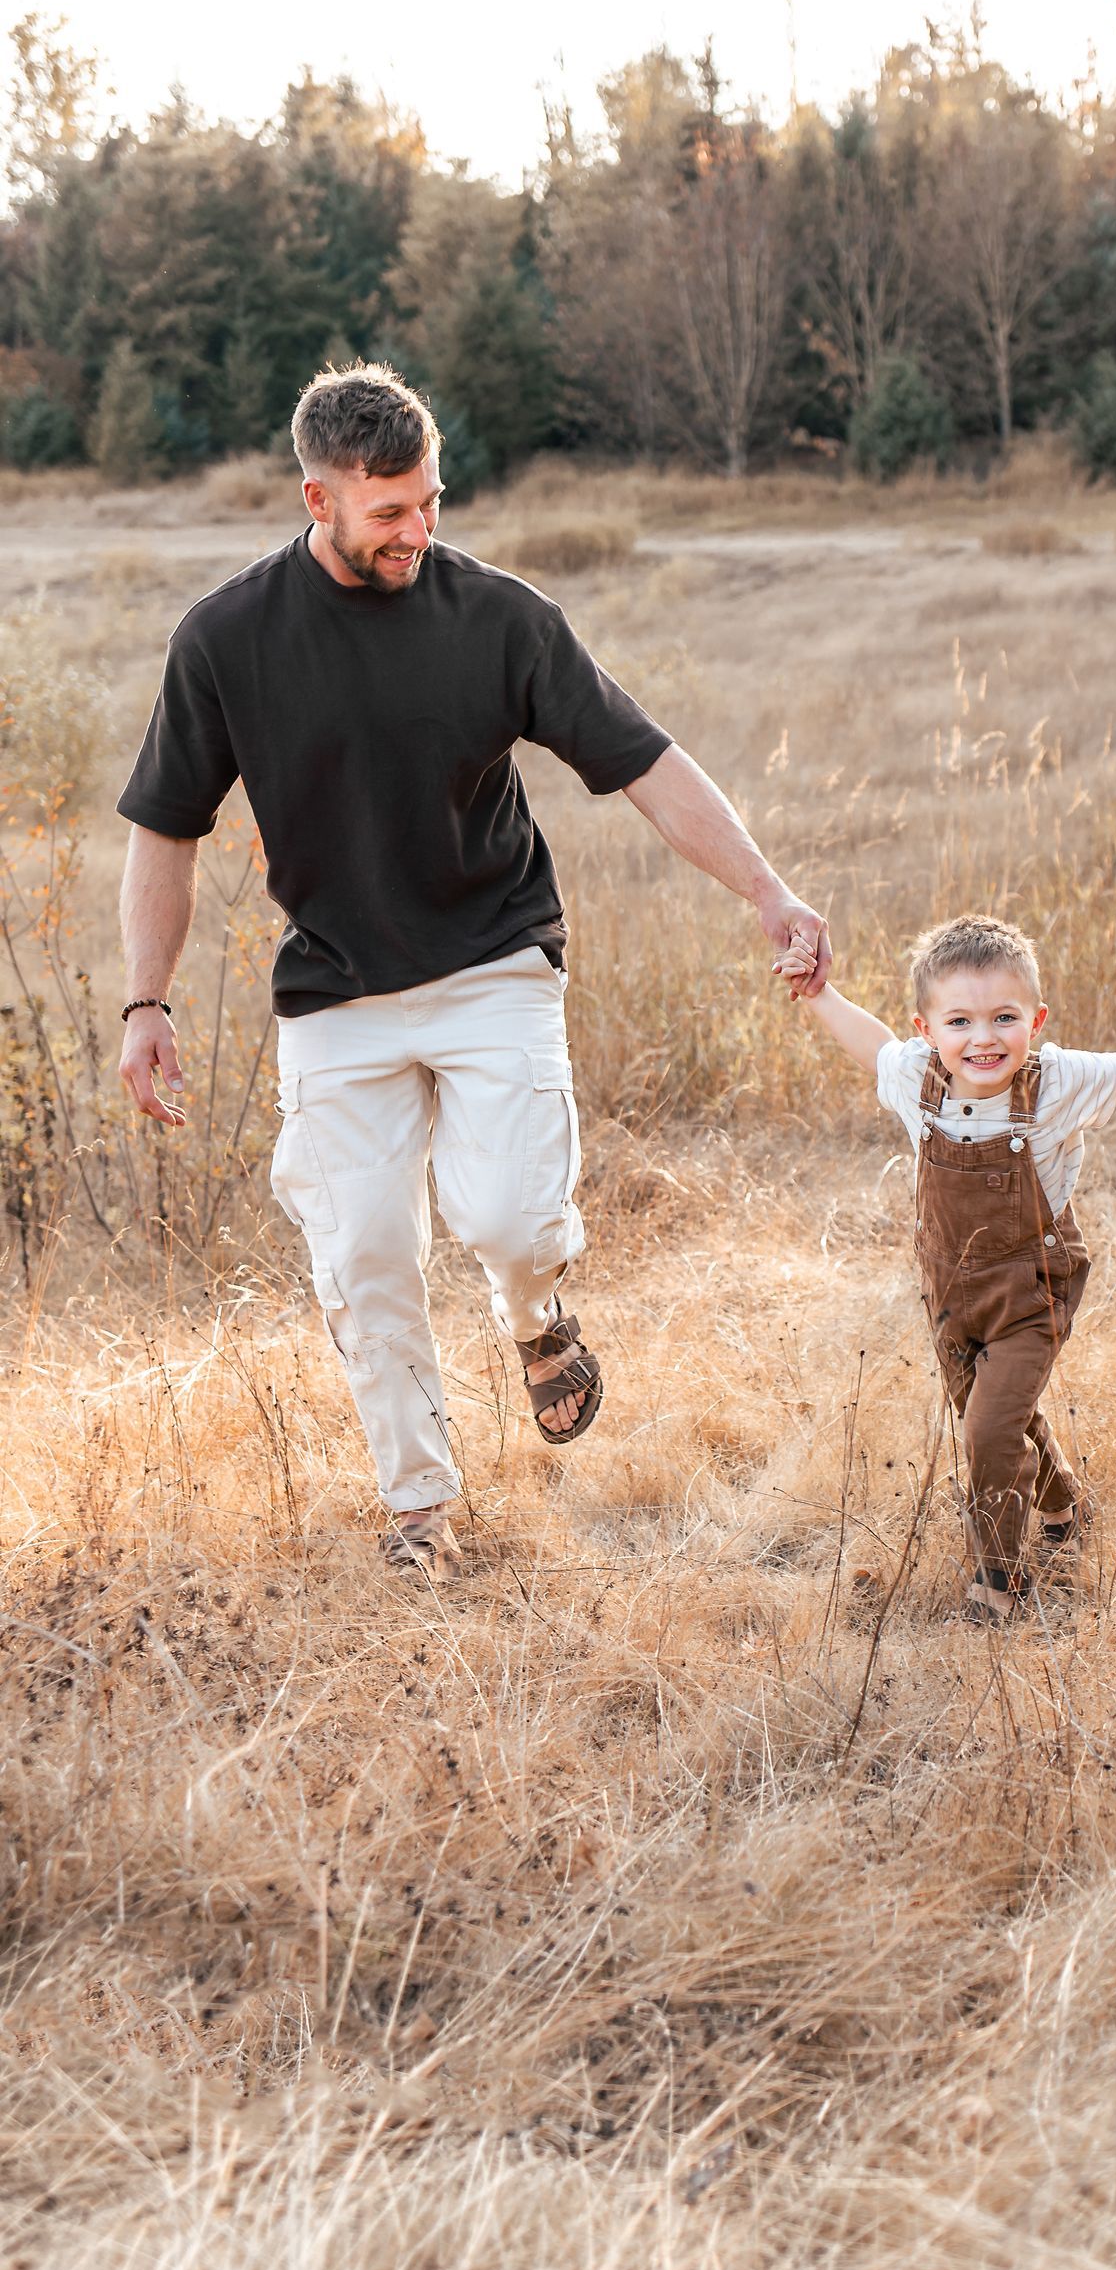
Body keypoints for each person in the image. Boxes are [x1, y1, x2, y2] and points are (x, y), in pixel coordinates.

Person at [117, 361, 831, 1584]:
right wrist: (146, 1000)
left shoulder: (500, 618)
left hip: (494, 957)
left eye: (431, 502)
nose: (419, 530)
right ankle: (421, 1510)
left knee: (505, 1218)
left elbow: (645, 762)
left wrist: (768, 890)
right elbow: (163, 832)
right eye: (390, 511)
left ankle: (535, 1317)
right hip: (335, 990)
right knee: (363, 1260)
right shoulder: (227, 639)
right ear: (318, 498)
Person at [773, 913, 1116, 1619]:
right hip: (950, 1293)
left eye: (1004, 1018)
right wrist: (818, 992)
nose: (983, 1038)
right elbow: (870, 1044)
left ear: (1035, 1020)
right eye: (960, 1022)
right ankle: (1064, 1504)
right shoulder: (916, 1079)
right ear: (926, 1030)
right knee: (998, 1416)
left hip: (1031, 1289)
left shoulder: (1055, 1083)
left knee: (986, 1432)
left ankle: (999, 1578)